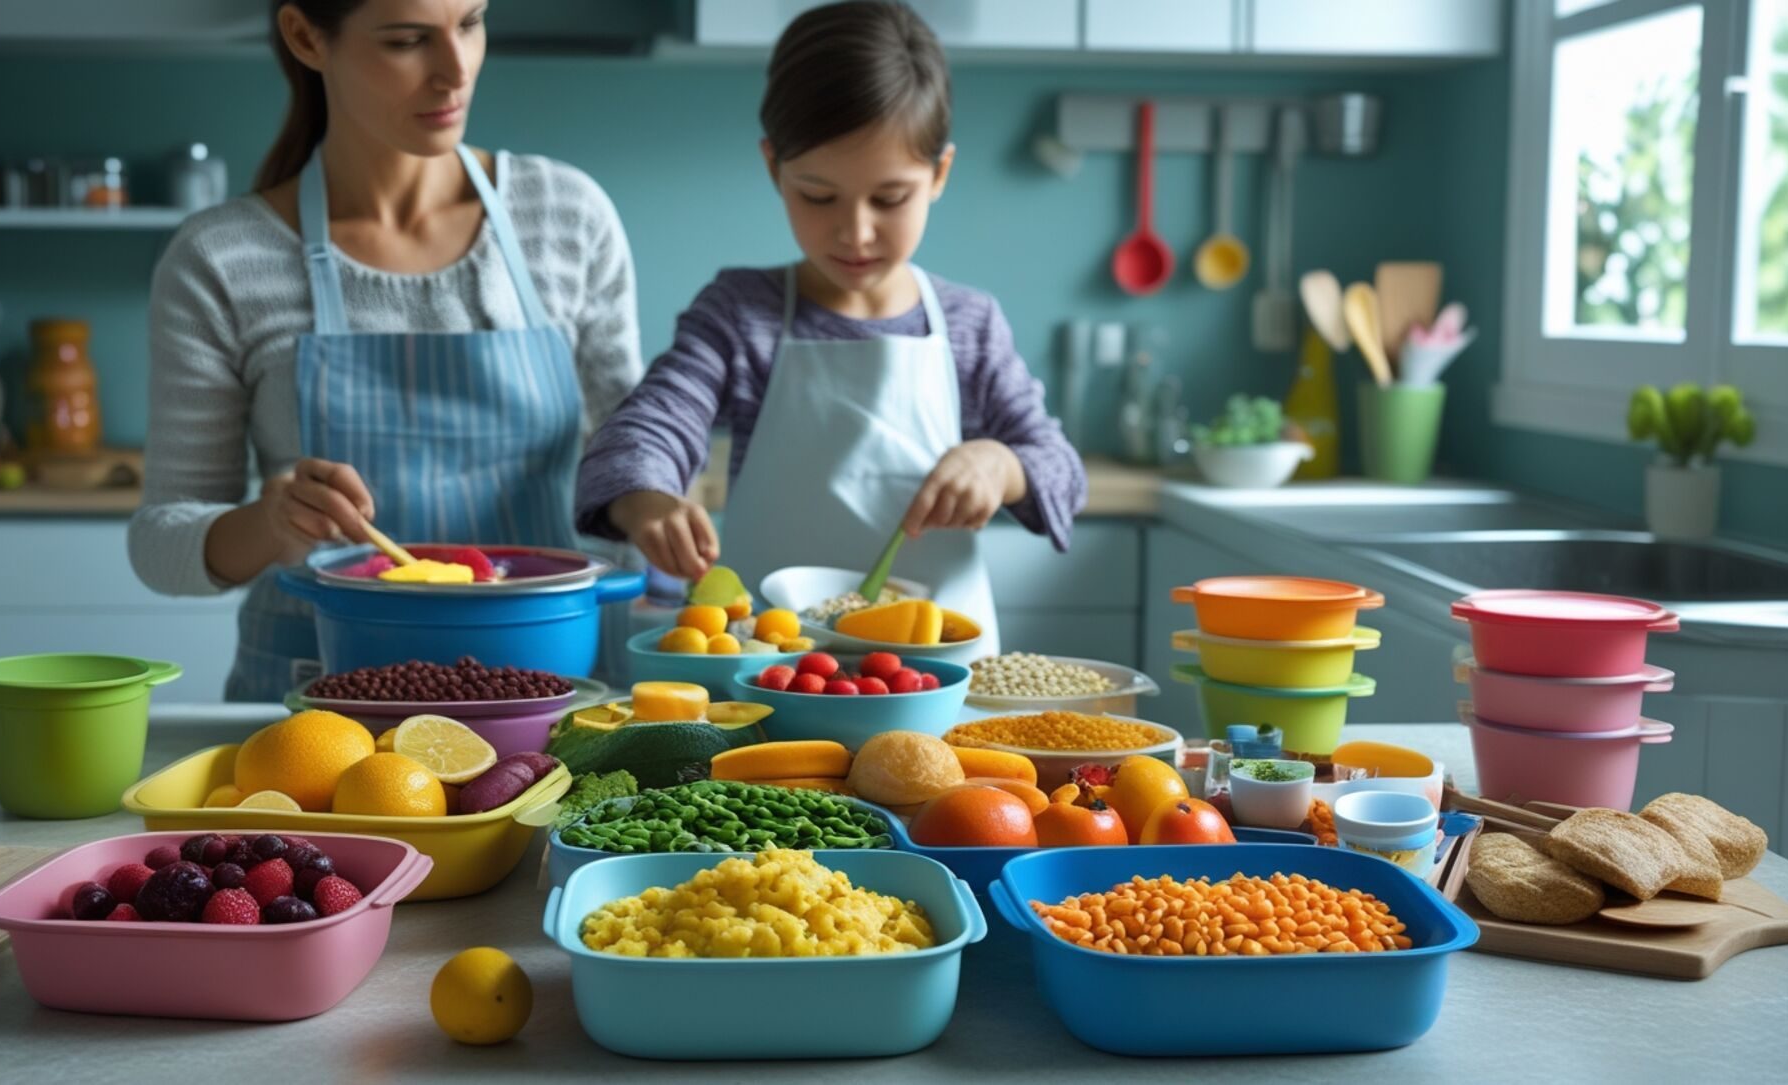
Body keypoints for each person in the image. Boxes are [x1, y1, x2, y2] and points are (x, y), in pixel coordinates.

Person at [130, 0, 641, 701]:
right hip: (324, 702)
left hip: (554, 685)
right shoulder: (222, 258)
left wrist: (656, 501)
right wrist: (268, 521)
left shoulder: (567, 215)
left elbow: (628, 462)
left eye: (471, 23)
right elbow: (161, 542)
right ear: (307, 36)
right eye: (408, 41)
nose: (455, 71)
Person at [575, 0, 1084, 656]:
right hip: (778, 676)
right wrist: (648, 501)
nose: (856, 231)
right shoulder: (740, 314)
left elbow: (1059, 467)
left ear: (939, 175)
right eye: (818, 196)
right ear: (773, 169)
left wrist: (1002, 464)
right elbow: (652, 422)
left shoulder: (968, 324)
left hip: (943, 687)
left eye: (890, 198)